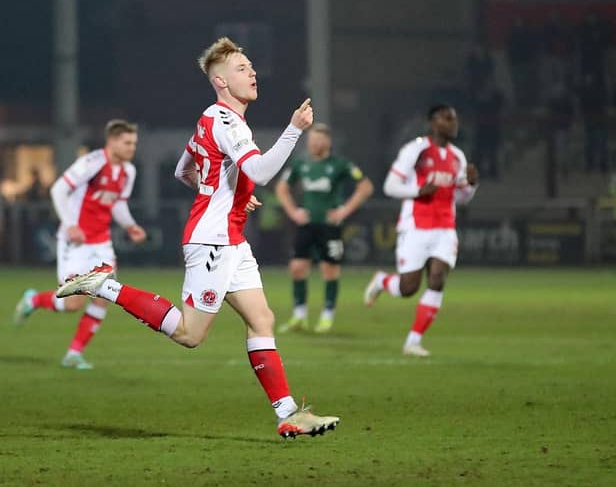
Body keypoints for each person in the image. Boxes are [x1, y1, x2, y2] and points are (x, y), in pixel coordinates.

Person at [54, 37, 339, 438]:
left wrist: (231, 191)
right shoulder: (225, 120)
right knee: (190, 334)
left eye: (251, 66)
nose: (253, 72)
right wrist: (292, 131)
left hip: (230, 238)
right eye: (242, 69)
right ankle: (106, 287)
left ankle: (287, 413)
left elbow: (185, 171)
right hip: (213, 241)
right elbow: (258, 171)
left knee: (262, 319)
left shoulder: (213, 120)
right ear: (221, 81)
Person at [12, 121, 146, 369]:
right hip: (76, 242)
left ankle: (73, 354)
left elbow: (117, 203)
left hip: (102, 244)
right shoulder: (93, 162)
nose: (132, 148)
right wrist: (71, 224)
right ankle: (33, 301)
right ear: (113, 141)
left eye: (134, 143)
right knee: (73, 303)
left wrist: (129, 225)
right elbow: (59, 189)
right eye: (127, 142)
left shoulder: (128, 171)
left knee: (103, 297)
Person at [363, 104, 479, 357]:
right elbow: (390, 186)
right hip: (415, 225)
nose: (452, 123)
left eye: (454, 119)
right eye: (447, 118)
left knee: (437, 279)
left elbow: (461, 197)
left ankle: (413, 341)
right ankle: (383, 281)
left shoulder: (457, 156)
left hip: (445, 227)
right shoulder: (415, 150)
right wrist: (417, 191)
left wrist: (470, 186)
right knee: (408, 288)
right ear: (432, 122)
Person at [275, 123, 373, 333]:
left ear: (327, 142)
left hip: (329, 226)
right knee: (297, 267)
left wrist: (344, 211)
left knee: (329, 270)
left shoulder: (340, 164)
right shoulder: (301, 163)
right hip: (306, 224)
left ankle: (327, 316)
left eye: (317, 140)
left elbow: (365, 187)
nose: (313, 144)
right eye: (311, 140)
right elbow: (282, 187)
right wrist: (293, 212)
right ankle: (299, 316)